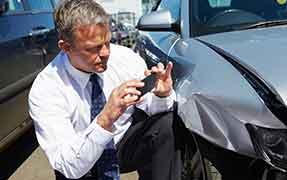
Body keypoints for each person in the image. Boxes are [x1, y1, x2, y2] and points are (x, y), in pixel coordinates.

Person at [28, 0, 181, 179]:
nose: (105, 53)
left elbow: (150, 108)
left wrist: (162, 96)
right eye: (93, 48)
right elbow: (68, 165)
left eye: (107, 42)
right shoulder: (47, 88)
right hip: (81, 156)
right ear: (66, 47)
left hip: (122, 143)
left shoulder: (125, 58)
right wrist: (106, 118)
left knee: (166, 124)